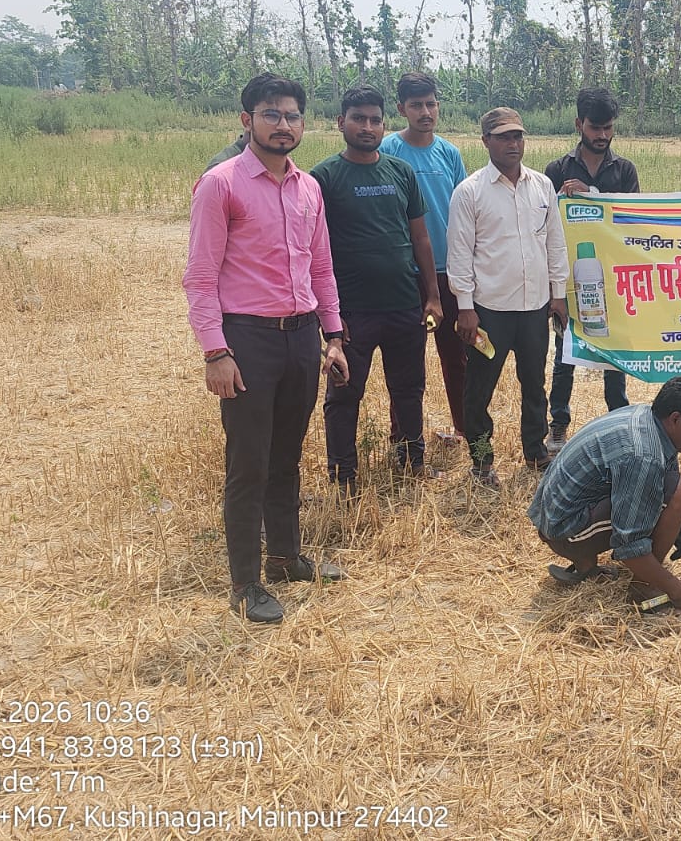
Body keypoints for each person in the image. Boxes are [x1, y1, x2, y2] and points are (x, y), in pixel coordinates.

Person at [183, 73, 348, 623]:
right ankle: (245, 583)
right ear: (246, 119)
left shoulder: (309, 189)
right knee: (248, 462)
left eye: (293, 116)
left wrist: (334, 336)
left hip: (302, 337)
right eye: (271, 114)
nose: (283, 125)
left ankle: (285, 557)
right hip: (247, 339)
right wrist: (215, 352)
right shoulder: (221, 183)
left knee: (287, 455)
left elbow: (321, 266)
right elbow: (201, 277)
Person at [311, 84, 443, 495]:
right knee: (344, 393)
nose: (367, 127)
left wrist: (433, 296)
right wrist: (328, 318)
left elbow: (421, 239)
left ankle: (411, 459)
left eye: (374, 120)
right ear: (341, 123)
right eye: (358, 119)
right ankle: (343, 475)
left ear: (384, 124)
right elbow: (315, 252)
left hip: (404, 303)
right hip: (352, 312)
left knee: (409, 388)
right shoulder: (324, 177)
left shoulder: (400, 172)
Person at [528, 375, 681, 619]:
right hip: (563, 530)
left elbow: (657, 495)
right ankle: (642, 587)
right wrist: (678, 591)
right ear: (676, 419)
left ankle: (587, 565)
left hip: (561, 515)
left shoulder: (649, 419)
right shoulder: (644, 454)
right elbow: (630, 546)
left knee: (669, 490)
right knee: (677, 492)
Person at [447, 107, 568, 489]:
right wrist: (465, 307)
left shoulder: (541, 186)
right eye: (503, 137)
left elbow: (554, 242)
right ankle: (482, 462)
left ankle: (535, 451)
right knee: (479, 389)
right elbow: (460, 253)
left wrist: (558, 293)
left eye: (517, 135)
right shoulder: (470, 191)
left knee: (534, 384)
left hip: (534, 309)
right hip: (489, 312)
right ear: (486, 142)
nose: (513, 144)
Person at [543, 87, 638, 452]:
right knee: (564, 354)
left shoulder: (624, 170)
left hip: (613, 280)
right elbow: (547, 228)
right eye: (595, 128)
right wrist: (554, 291)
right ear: (579, 124)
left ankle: (620, 424)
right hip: (570, 281)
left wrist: (593, 194)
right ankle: (558, 426)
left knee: (615, 358)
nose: (602, 136)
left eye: (608, 128)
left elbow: (632, 221)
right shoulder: (556, 170)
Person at [380, 72, 470, 446]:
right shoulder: (387, 150)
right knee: (406, 363)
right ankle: (403, 439)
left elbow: (464, 211)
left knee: (458, 359)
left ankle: (467, 433)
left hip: (448, 271)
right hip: (405, 274)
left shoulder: (449, 153)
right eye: (416, 105)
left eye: (431, 103)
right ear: (401, 109)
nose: (425, 111)